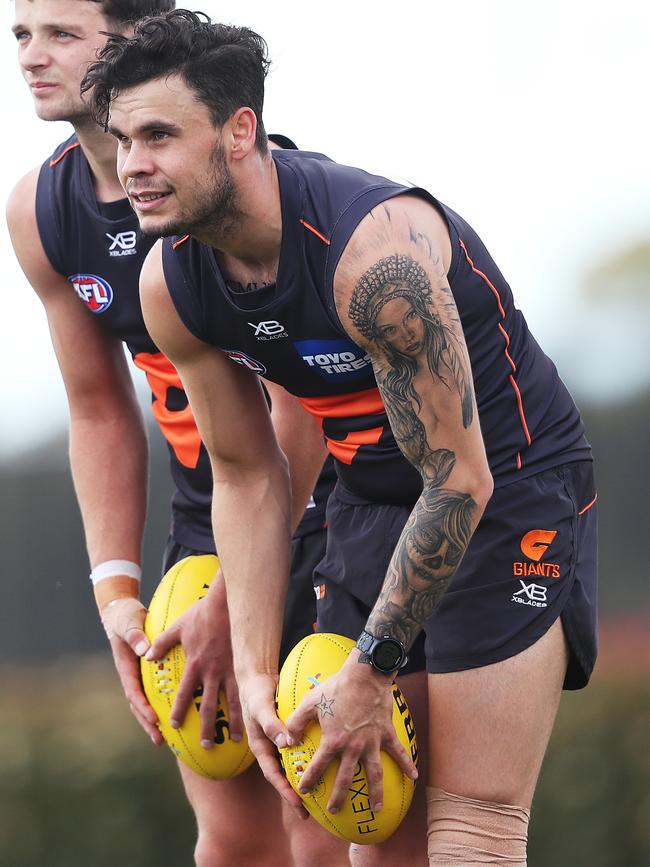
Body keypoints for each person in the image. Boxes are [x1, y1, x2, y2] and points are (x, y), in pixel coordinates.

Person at [83, 10, 598, 867]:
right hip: (368, 498)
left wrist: (369, 669)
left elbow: (459, 481)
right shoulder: (171, 282)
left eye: (160, 135)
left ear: (239, 131)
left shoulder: (373, 259)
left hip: (506, 490)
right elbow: (247, 474)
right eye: (124, 138)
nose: (133, 166)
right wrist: (253, 672)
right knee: (373, 831)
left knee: (470, 828)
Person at [6, 2, 347, 866]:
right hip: (209, 519)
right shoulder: (41, 210)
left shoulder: (239, 190)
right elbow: (97, 408)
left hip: (327, 508)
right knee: (231, 841)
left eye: (61, 33)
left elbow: (299, 412)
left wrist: (239, 597)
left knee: (318, 829)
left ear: (138, 35)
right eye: (19, 35)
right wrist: (117, 593)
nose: (32, 58)